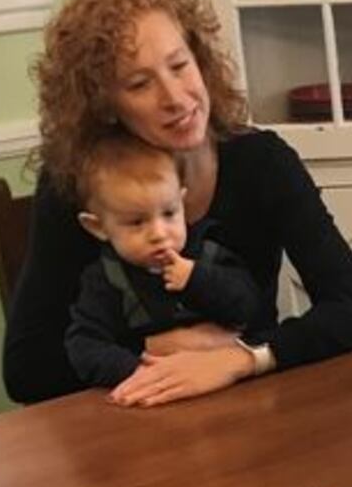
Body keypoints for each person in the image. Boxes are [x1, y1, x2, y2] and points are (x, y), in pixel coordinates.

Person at [4, 0, 352, 406]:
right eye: (139, 84)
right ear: (104, 106)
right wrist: (151, 353)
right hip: (130, 429)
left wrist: (243, 357)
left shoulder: (262, 162)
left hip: (255, 408)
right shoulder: (74, 187)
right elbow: (27, 369)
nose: (175, 97)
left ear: (200, 61)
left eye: (180, 65)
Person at [65, 134, 263, 390]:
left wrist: (197, 278)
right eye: (137, 222)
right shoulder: (106, 279)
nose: (159, 233)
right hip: (154, 394)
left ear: (182, 201)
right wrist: (141, 370)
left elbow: (250, 308)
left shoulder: (209, 254)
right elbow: (84, 345)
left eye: (169, 213)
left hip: (230, 386)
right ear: (98, 226)